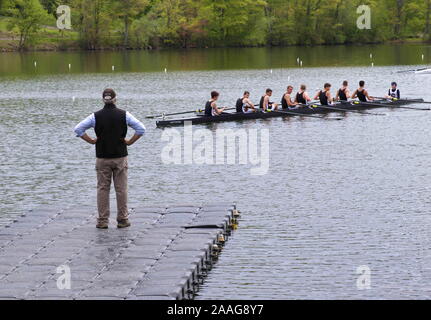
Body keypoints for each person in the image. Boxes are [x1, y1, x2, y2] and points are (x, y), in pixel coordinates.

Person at [74, 88, 146, 229]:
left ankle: (102, 221)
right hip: (120, 156)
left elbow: (78, 129)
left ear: (103, 100)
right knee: (121, 189)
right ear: (115, 99)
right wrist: (130, 142)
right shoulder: (124, 115)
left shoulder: (95, 116)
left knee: (102, 189)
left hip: (102, 157)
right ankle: (123, 219)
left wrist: (91, 141)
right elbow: (141, 129)